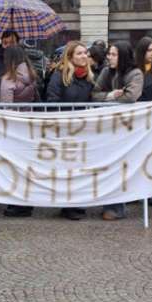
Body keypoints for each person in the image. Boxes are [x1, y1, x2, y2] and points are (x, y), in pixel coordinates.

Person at [91, 42, 143, 221]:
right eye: (109, 54)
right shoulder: (106, 72)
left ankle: (117, 207)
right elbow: (94, 93)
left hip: (127, 127)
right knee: (108, 166)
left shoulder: (135, 73)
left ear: (122, 56)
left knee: (121, 167)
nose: (109, 57)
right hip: (108, 127)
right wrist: (111, 96)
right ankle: (110, 204)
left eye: (113, 54)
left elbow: (130, 96)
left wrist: (114, 96)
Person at [45, 41, 95, 220]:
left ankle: (77, 203)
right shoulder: (60, 75)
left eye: (85, 53)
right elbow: (51, 101)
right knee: (66, 169)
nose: (84, 56)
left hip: (82, 130)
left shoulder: (89, 77)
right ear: (70, 57)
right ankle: (68, 206)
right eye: (80, 53)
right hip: (64, 130)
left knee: (80, 168)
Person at [0, 46, 40, 218]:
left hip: (13, 127)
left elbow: (6, 106)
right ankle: (28, 202)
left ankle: (17, 204)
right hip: (28, 124)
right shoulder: (31, 75)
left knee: (14, 166)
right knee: (26, 165)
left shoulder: (9, 79)